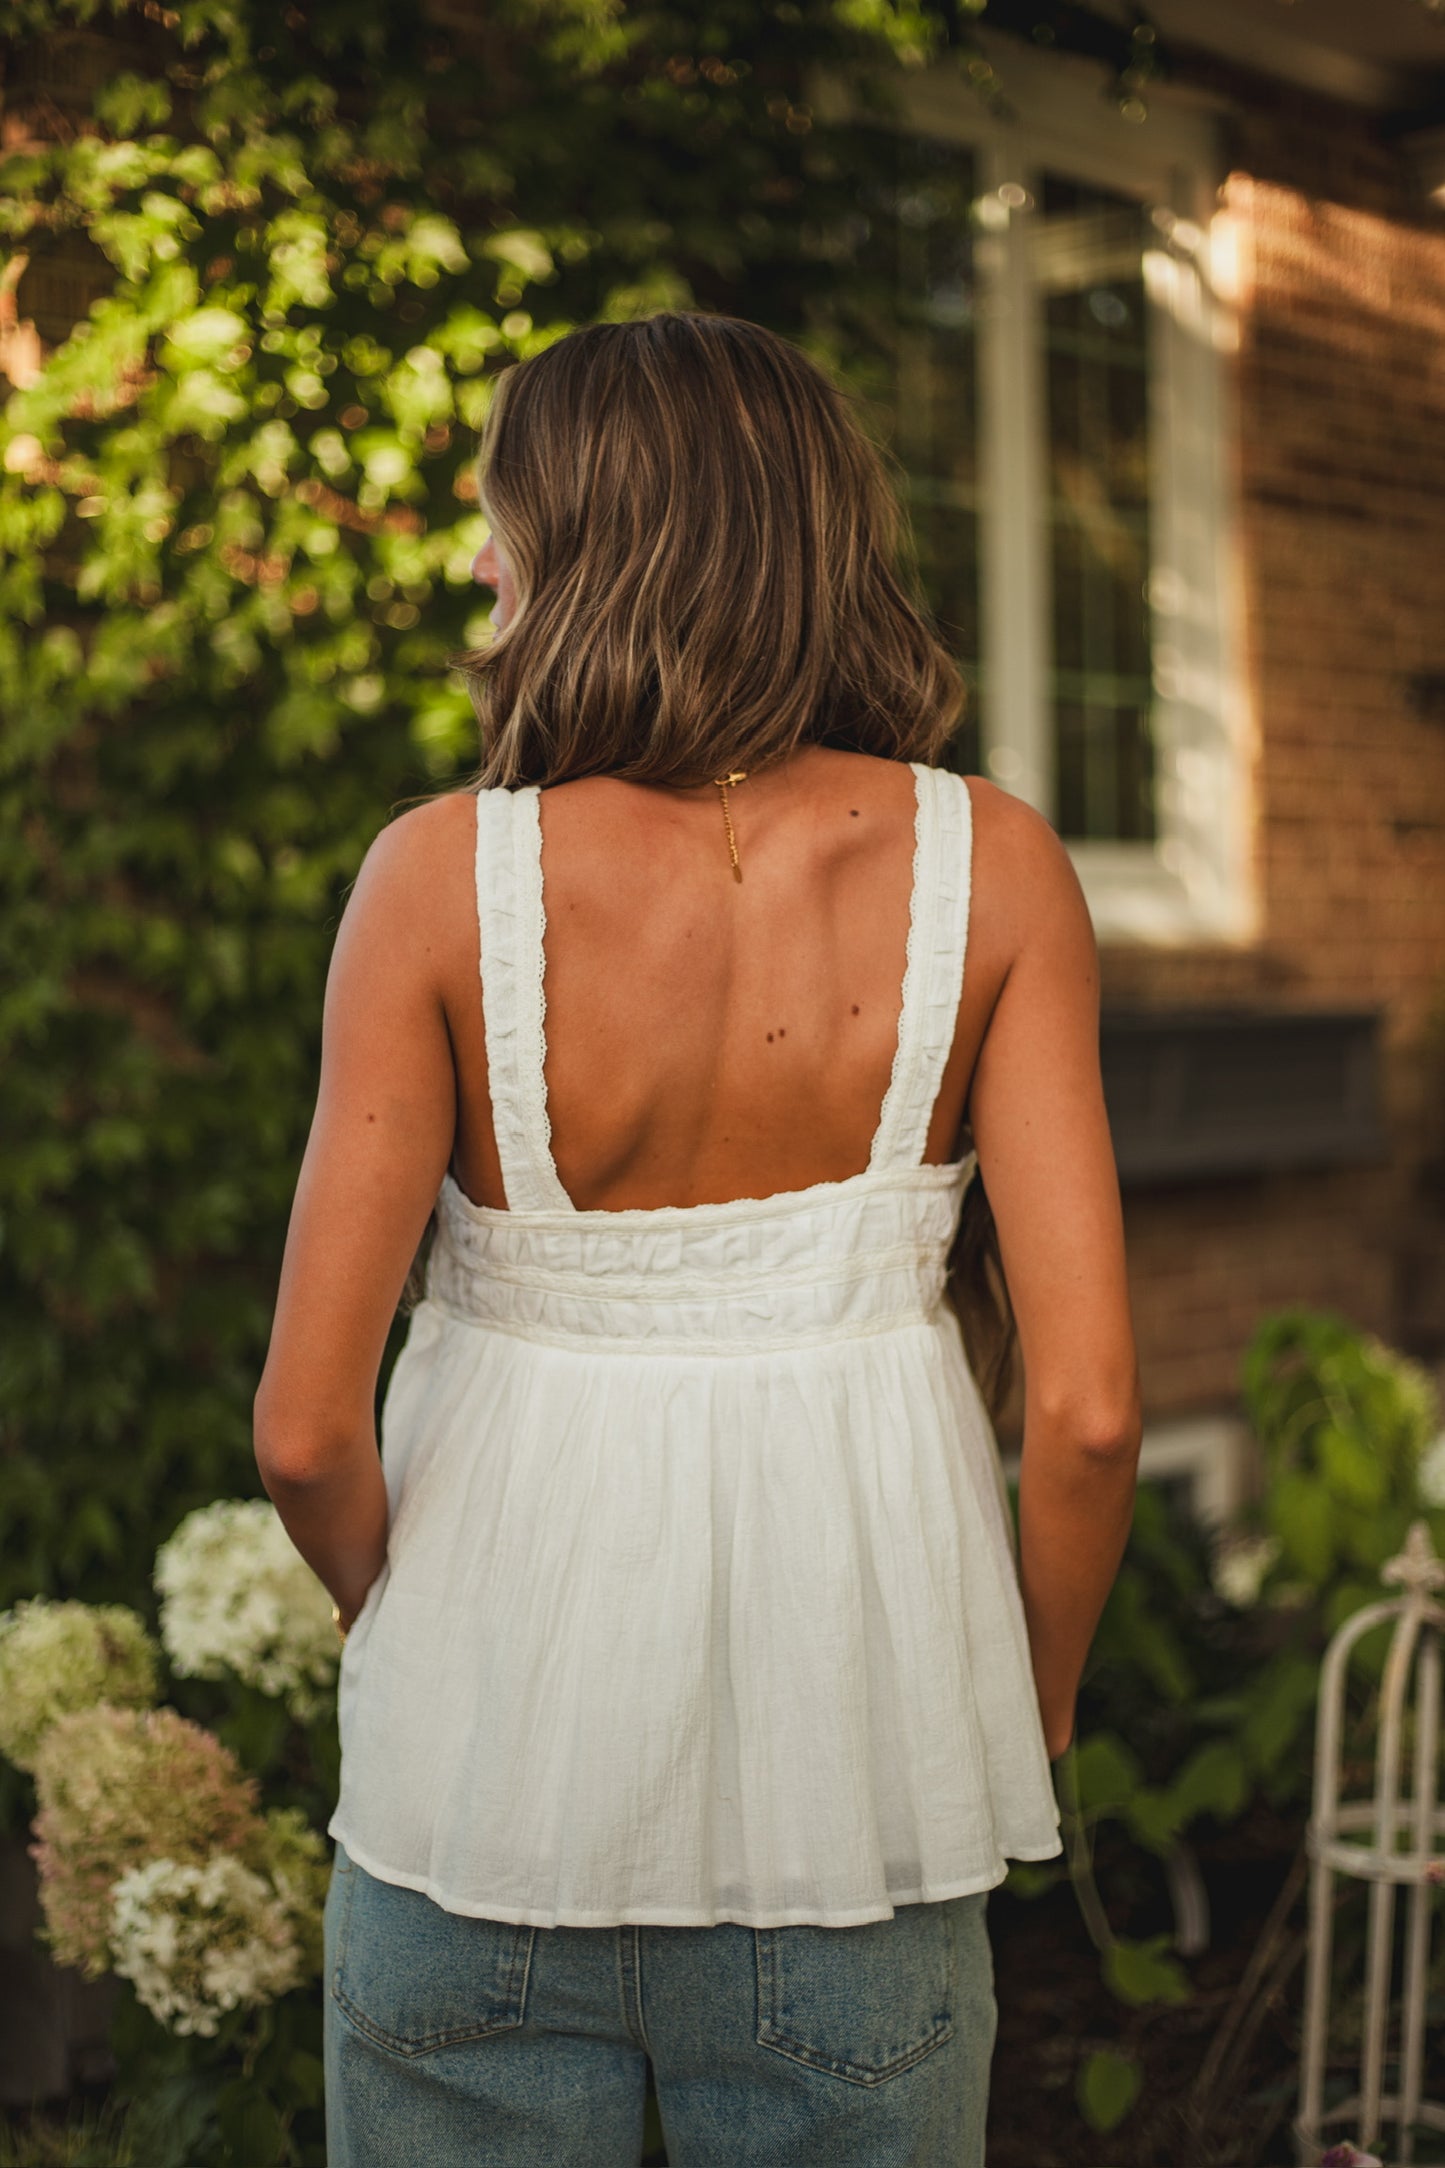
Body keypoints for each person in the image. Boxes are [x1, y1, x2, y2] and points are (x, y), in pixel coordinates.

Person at [253, 311, 1141, 2168]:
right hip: (860, 1804)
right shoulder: (998, 867)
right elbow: (1085, 1418)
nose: (479, 558)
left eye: (500, 515)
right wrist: (1031, 1694)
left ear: (588, 542)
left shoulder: (433, 877)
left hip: (469, 1808)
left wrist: (411, 1634)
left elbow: (303, 1434)